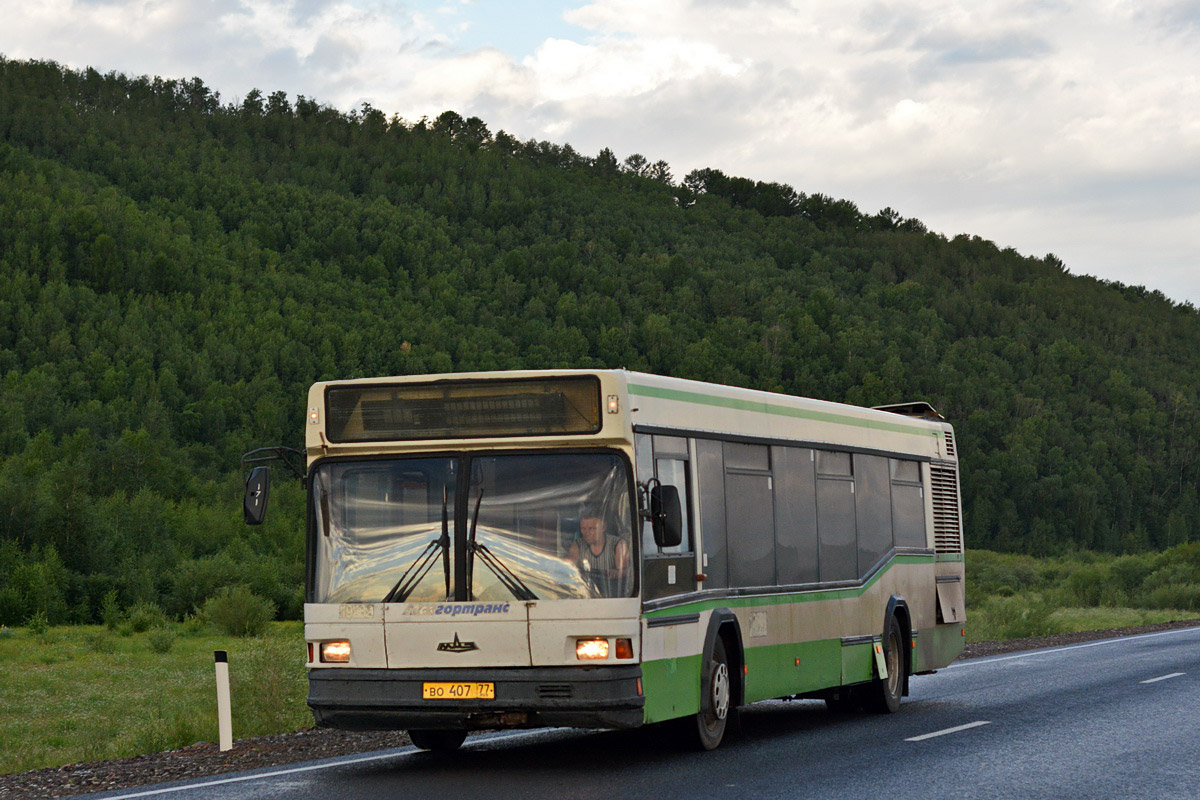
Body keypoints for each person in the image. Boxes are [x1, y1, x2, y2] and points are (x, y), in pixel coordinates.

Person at [567, 508, 631, 597]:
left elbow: (626, 572)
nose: (587, 533)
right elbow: (569, 570)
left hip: (612, 596)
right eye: (583, 528)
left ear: (603, 527)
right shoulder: (577, 545)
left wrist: (616, 573)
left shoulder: (618, 545)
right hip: (585, 594)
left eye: (591, 529)